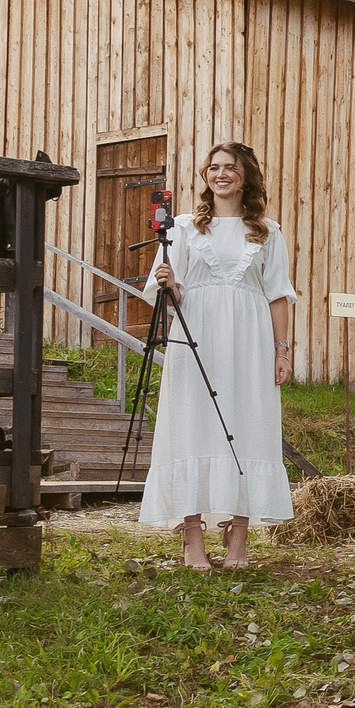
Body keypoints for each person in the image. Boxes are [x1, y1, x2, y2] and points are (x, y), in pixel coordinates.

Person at [139, 142, 296, 569]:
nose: (221, 174)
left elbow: (277, 295)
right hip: (197, 338)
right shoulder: (182, 227)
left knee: (249, 425)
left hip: (250, 342)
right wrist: (170, 284)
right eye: (214, 167)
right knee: (191, 425)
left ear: (246, 177)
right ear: (206, 175)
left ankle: (238, 536)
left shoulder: (268, 231)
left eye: (230, 167)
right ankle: (192, 537)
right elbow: (171, 296)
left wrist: (282, 351)